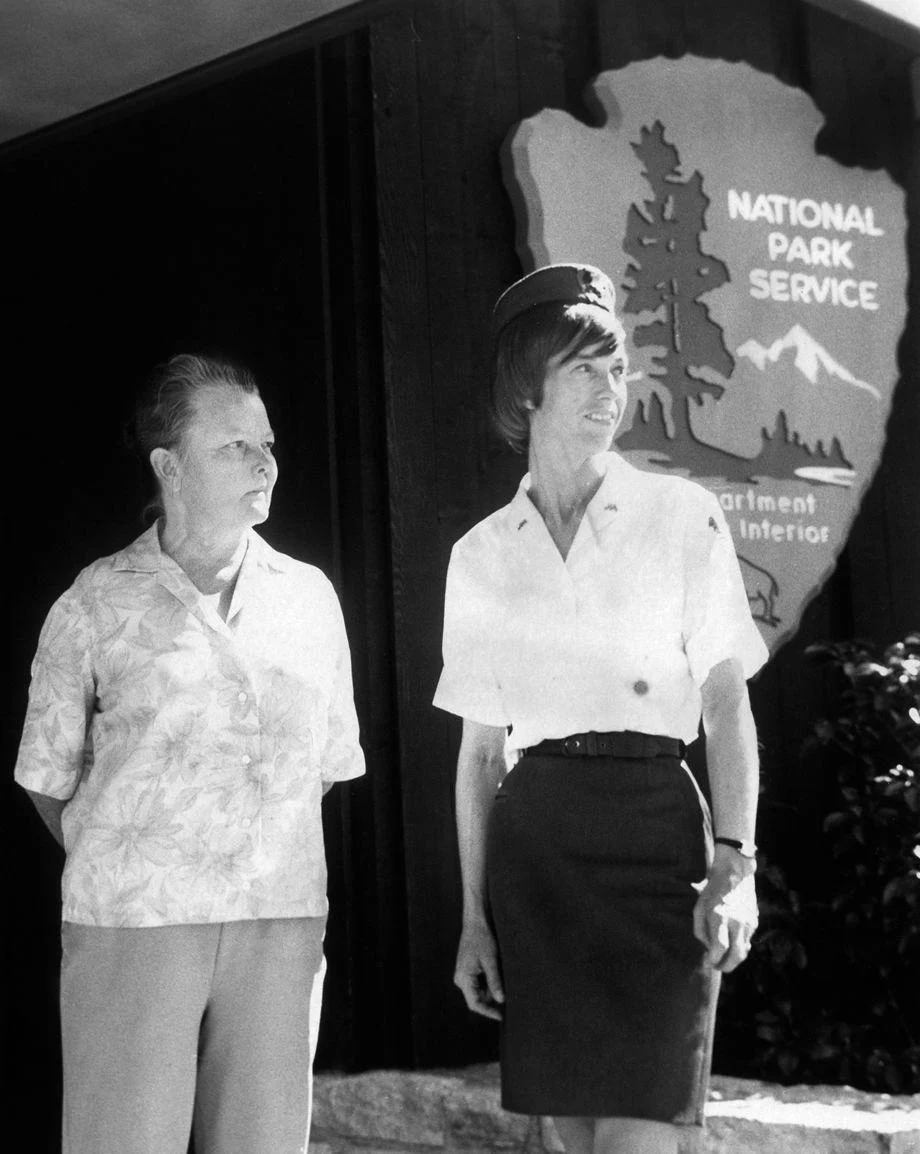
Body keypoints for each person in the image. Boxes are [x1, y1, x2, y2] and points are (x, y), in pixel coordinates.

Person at [434, 265, 767, 1154]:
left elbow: (727, 704)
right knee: (573, 1140)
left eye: (617, 369)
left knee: (650, 1137)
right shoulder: (480, 556)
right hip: (539, 860)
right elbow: (477, 756)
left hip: (658, 848)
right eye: (584, 369)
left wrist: (737, 861)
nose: (608, 390)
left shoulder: (681, 516)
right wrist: (474, 917)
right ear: (527, 387)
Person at [15, 353, 365, 1154]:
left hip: (279, 920)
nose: (264, 462)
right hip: (135, 921)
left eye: (267, 444)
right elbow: (45, 774)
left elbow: (325, 767)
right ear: (168, 466)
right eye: (233, 447)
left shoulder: (310, 597)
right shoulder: (96, 599)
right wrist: (133, 854)